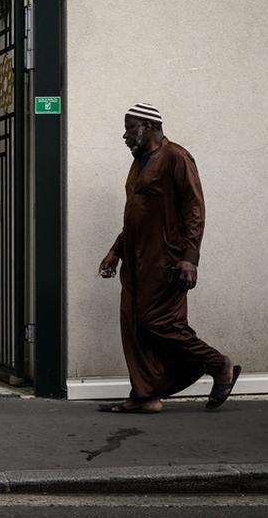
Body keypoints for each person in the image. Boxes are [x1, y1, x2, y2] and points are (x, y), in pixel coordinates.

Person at [97, 103, 240, 413]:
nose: (124, 135)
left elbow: (194, 209)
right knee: (134, 324)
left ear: (148, 126)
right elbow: (136, 218)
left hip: (167, 262)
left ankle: (219, 364)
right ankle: (145, 395)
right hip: (136, 263)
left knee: (159, 322)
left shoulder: (176, 157)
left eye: (129, 127)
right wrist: (115, 251)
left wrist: (190, 257)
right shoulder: (138, 164)